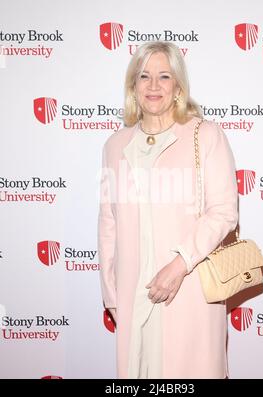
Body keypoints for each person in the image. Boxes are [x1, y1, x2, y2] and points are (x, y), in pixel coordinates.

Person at [98, 41, 238, 379]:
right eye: (144, 76)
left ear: (178, 85)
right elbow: (108, 222)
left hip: (187, 288)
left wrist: (179, 264)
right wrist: (111, 293)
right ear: (133, 85)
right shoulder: (115, 145)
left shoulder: (205, 136)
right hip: (134, 294)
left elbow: (223, 212)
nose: (154, 86)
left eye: (164, 76)